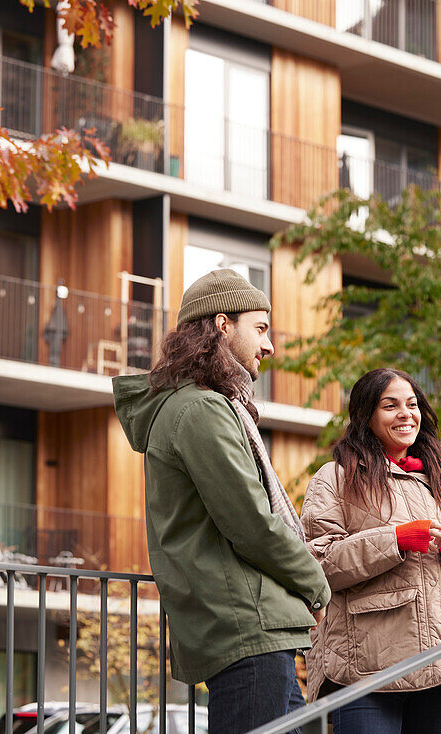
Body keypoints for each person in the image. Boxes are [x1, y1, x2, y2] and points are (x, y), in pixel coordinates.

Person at [112, 269, 331, 734]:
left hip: (248, 625)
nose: (269, 346)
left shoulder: (201, 406)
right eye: (261, 328)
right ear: (222, 324)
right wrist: (316, 583)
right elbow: (251, 521)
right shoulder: (202, 410)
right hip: (246, 627)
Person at [301, 368, 441, 734]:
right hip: (369, 670)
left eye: (412, 404)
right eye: (390, 405)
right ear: (366, 416)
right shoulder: (334, 478)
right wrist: (397, 539)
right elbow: (318, 564)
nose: (406, 414)